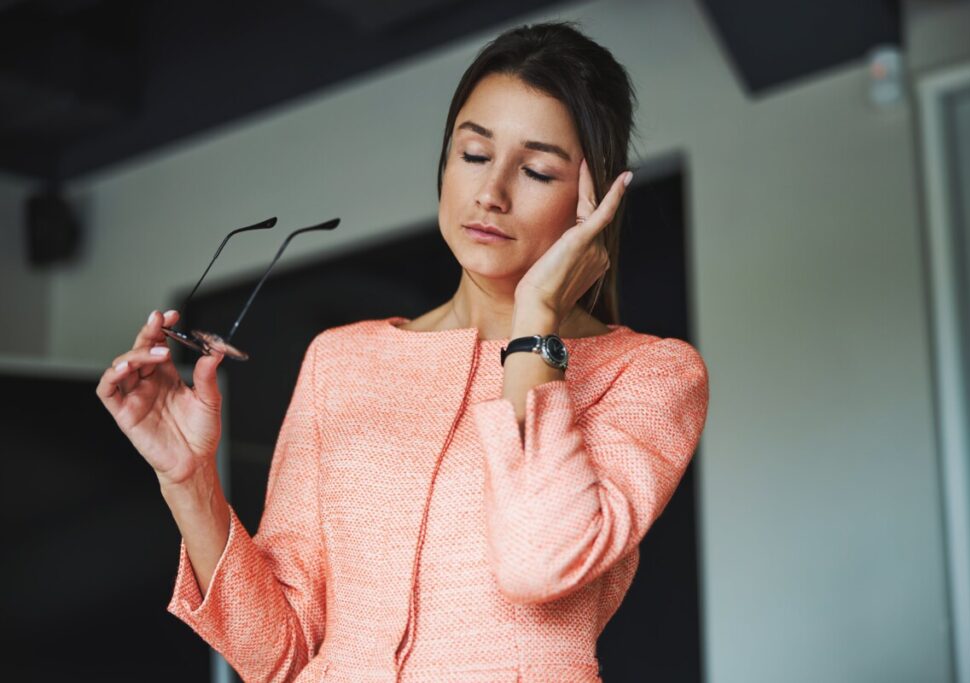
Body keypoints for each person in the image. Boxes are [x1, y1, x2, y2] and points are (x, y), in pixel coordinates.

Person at [96, 21, 708, 683]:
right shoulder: (339, 360)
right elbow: (280, 653)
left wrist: (537, 324)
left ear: (597, 202)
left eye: (535, 169)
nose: (491, 192)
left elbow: (538, 559)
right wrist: (189, 480)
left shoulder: (652, 374)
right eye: (474, 154)